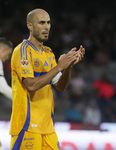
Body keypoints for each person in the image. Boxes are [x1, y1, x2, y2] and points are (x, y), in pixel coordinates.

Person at [9, 8, 85, 150]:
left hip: (48, 128)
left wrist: (68, 67)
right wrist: (58, 67)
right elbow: (30, 86)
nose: (47, 27)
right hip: (27, 126)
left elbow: (61, 87)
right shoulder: (22, 51)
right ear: (30, 26)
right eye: (42, 23)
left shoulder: (48, 53)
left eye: (48, 23)